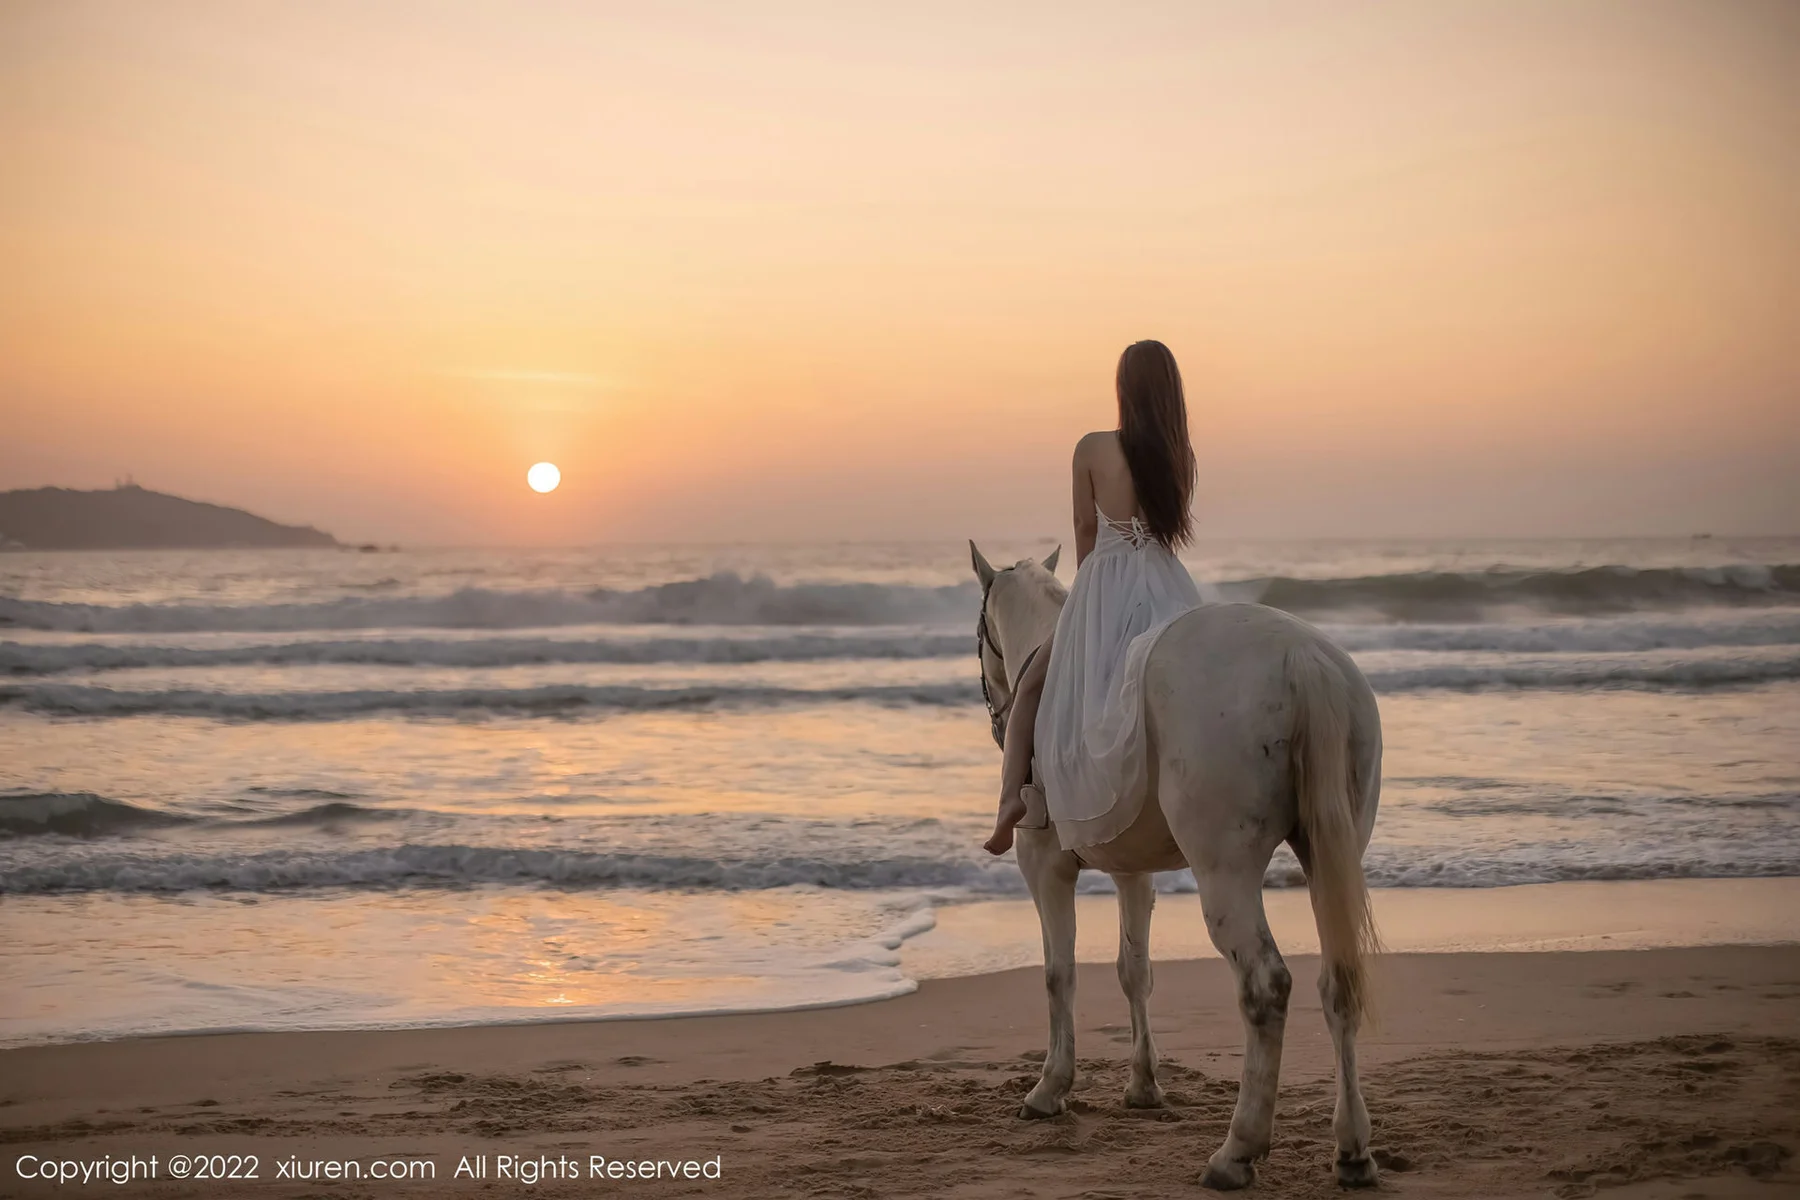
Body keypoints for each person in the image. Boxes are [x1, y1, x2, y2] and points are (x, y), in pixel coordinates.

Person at [983, 340, 1202, 856]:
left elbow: (1086, 527)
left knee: (1033, 686)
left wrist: (1086, 601)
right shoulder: (1181, 455)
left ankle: (1012, 801)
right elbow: (1167, 531)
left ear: (1123, 388)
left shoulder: (1092, 447)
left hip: (1106, 580)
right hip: (1166, 581)